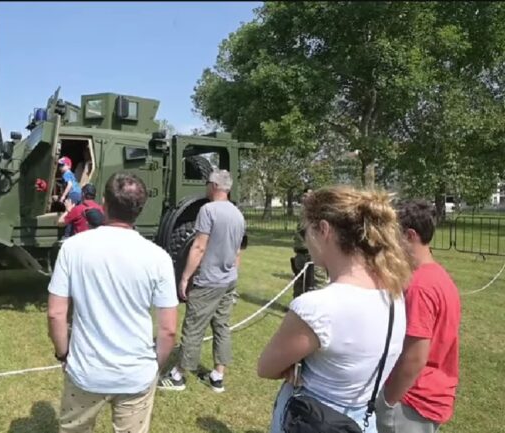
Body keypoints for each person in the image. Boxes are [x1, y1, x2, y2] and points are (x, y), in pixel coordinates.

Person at [257, 185, 413, 433]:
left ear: (324, 230)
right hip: (362, 421)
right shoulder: (393, 296)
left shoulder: (317, 307)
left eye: (306, 230)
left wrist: (297, 365)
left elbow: (266, 367)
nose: (306, 239)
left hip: (311, 421)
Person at [47, 172, 179, 433]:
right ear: (140, 209)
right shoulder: (158, 257)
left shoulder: (72, 248)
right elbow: (168, 330)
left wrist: (63, 354)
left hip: (86, 371)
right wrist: (155, 367)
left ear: (104, 204)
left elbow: (56, 313)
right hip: (135, 374)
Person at [157, 169, 246, 393]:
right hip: (228, 280)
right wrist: (233, 276)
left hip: (209, 281)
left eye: (207, 183)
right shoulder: (237, 213)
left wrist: (185, 277)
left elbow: (198, 246)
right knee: (222, 327)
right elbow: (238, 251)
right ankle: (218, 376)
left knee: (193, 327)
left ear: (214, 185)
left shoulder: (208, 210)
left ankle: (179, 375)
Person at [377, 200, 461, 433]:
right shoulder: (438, 276)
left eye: (392, 236)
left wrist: (388, 400)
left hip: (410, 401)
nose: (388, 244)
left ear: (410, 235)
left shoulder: (419, 287)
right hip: (430, 394)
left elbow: (415, 357)